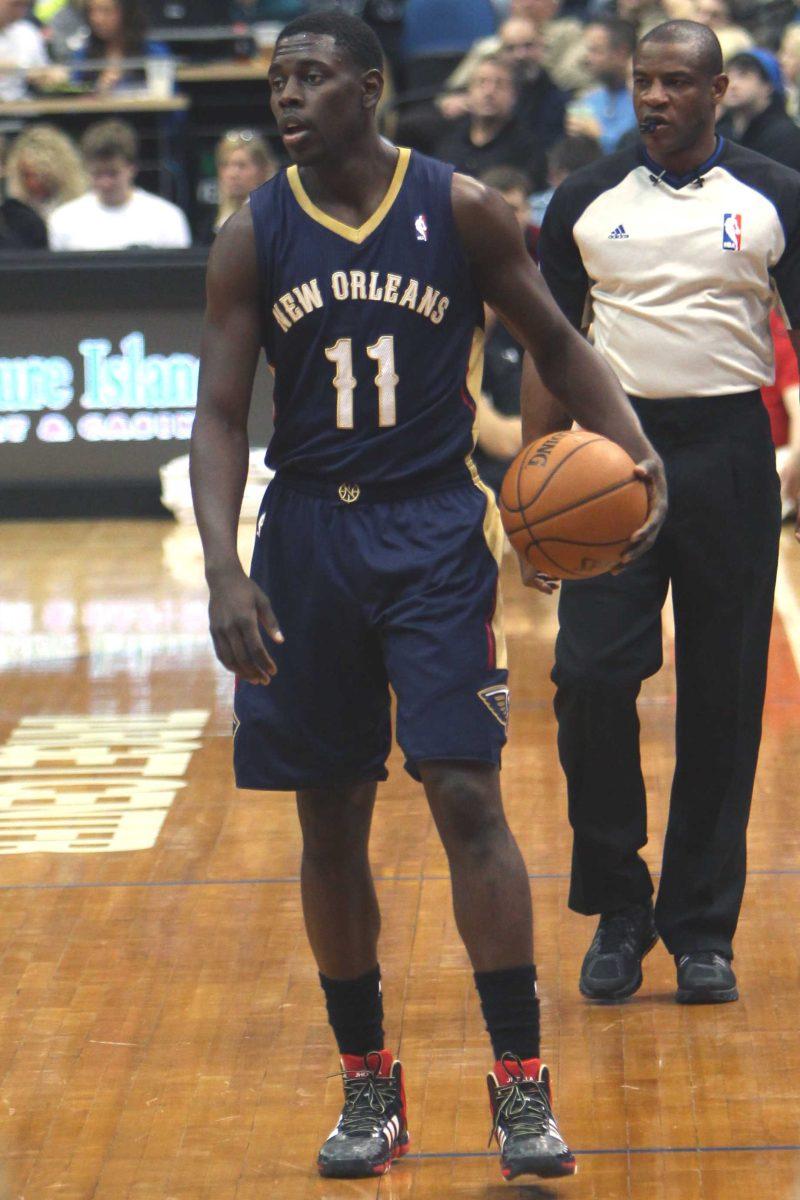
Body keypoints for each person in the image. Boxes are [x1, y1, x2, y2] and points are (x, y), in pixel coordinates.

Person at [189, 7, 666, 1184]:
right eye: (276, 80)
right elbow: (215, 414)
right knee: (329, 815)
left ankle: (517, 1089)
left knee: (464, 793)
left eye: (308, 78)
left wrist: (632, 444)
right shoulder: (255, 231)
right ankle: (370, 1090)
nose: (284, 98)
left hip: (432, 534)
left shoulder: (457, 206)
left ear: (368, 87)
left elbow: (553, 341)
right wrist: (223, 567)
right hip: (306, 534)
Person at [526, 19, 800, 1007]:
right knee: (588, 679)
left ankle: (697, 930)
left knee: (722, 702)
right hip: (611, 457)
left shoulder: (772, 194)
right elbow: (551, 350)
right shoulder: (584, 200)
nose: (653, 98)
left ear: (717, 89)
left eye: (675, 82)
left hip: (729, 452)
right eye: (642, 81)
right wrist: (529, 486)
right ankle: (617, 903)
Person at [48, 119, 190, 250]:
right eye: (97, 174)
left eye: (113, 173)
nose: (105, 183)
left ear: (132, 168)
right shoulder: (63, 220)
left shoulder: (166, 218)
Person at [434, 55, 547, 189]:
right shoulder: (448, 139)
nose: (489, 92)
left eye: (499, 84)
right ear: (469, 91)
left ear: (514, 95)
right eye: (481, 83)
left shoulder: (528, 149)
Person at [716, 48, 800, 173]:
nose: (732, 84)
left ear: (768, 86)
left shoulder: (786, 136)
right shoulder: (720, 131)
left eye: (743, 75)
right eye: (728, 76)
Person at [567, 18, 638, 153]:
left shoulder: (642, 99)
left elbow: (637, 149)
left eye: (595, 51)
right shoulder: (589, 99)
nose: (587, 58)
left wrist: (599, 136)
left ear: (621, 53)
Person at [196, 129, 277, 245]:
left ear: (263, 170)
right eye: (225, 165)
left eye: (241, 165)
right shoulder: (209, 223)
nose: (232, 174)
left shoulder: (277, 219)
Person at [71, 0, 170, 93]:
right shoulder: (83, 55)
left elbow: (170, 100)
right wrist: (98, 89)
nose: (97, 19)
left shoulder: (152, 51)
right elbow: (73, 99)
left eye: (106, 11)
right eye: (91, 11)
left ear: (126, 13)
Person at [5, 124, 87, 219]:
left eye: (39, 176)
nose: (32, 183)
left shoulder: (80, 211)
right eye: (26, 175)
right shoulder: (14, 215)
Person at [0, 0, 48, 101]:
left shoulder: (28, 32)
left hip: (22, 106)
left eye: (25, 5)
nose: (20, 12)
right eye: (15, 4)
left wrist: (49, 76)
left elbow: (44, 72)